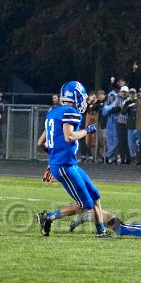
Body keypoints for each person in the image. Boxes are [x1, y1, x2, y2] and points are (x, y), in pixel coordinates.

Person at [36, 81, 112, 239]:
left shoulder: (53, 113)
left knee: (95, 195)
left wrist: (54, 157)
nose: (83, 100)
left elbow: (41, 143)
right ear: (75, 96)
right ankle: (48, 217)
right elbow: (69, 136)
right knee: (86, 204)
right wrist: (87, 130)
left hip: (67, 163)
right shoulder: (70, 111)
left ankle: (101, 232)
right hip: (64, 165)